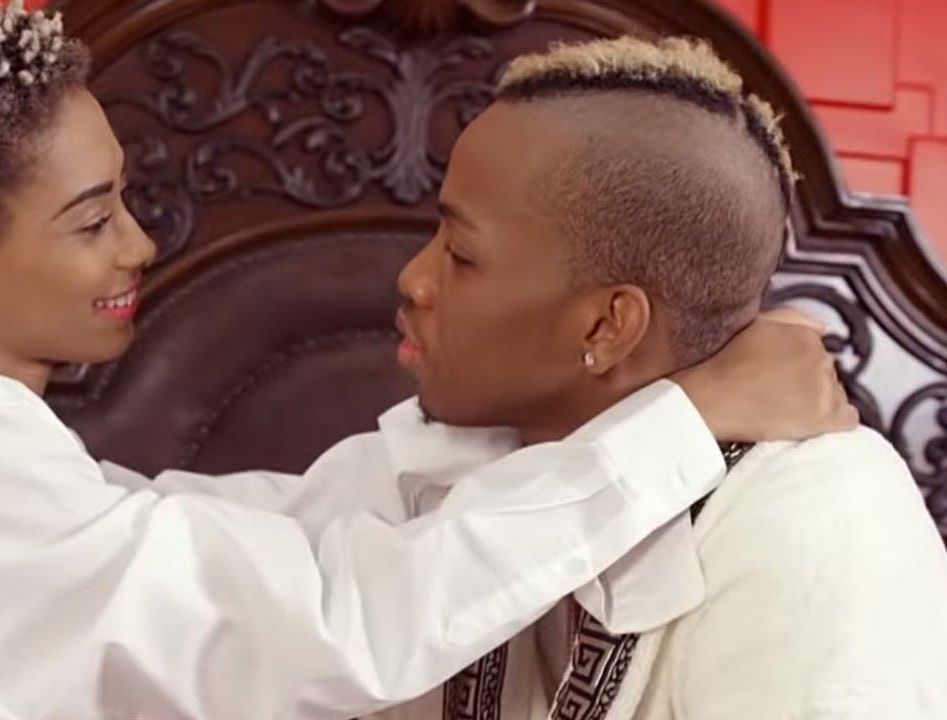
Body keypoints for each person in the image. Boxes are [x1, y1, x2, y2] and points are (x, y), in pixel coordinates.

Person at [0, 4, 854, 719]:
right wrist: (677, 425)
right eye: (91, 219)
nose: (138, 244)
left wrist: (498, 445)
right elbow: (311, 629)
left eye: (123, 201)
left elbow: (224, 535)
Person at [362, 36, 947, 720]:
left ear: (606, 327)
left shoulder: (822, 525)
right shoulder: (441, 472)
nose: (413, 278)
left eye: (461, 254)